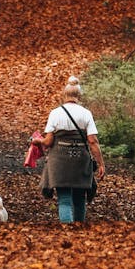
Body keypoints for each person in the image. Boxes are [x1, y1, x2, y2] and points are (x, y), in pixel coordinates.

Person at [41, 75, 105, 224]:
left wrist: (38, 142)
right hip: (80, 161)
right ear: (79, 95)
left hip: (59, 161)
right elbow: (92, 141)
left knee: (64, 199)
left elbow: (48, 141)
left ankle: (68, 232)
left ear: (65, 95)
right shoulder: (86, 113)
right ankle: (79, 230)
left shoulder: (55, 113)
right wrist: (101, 163)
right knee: (79, 198)